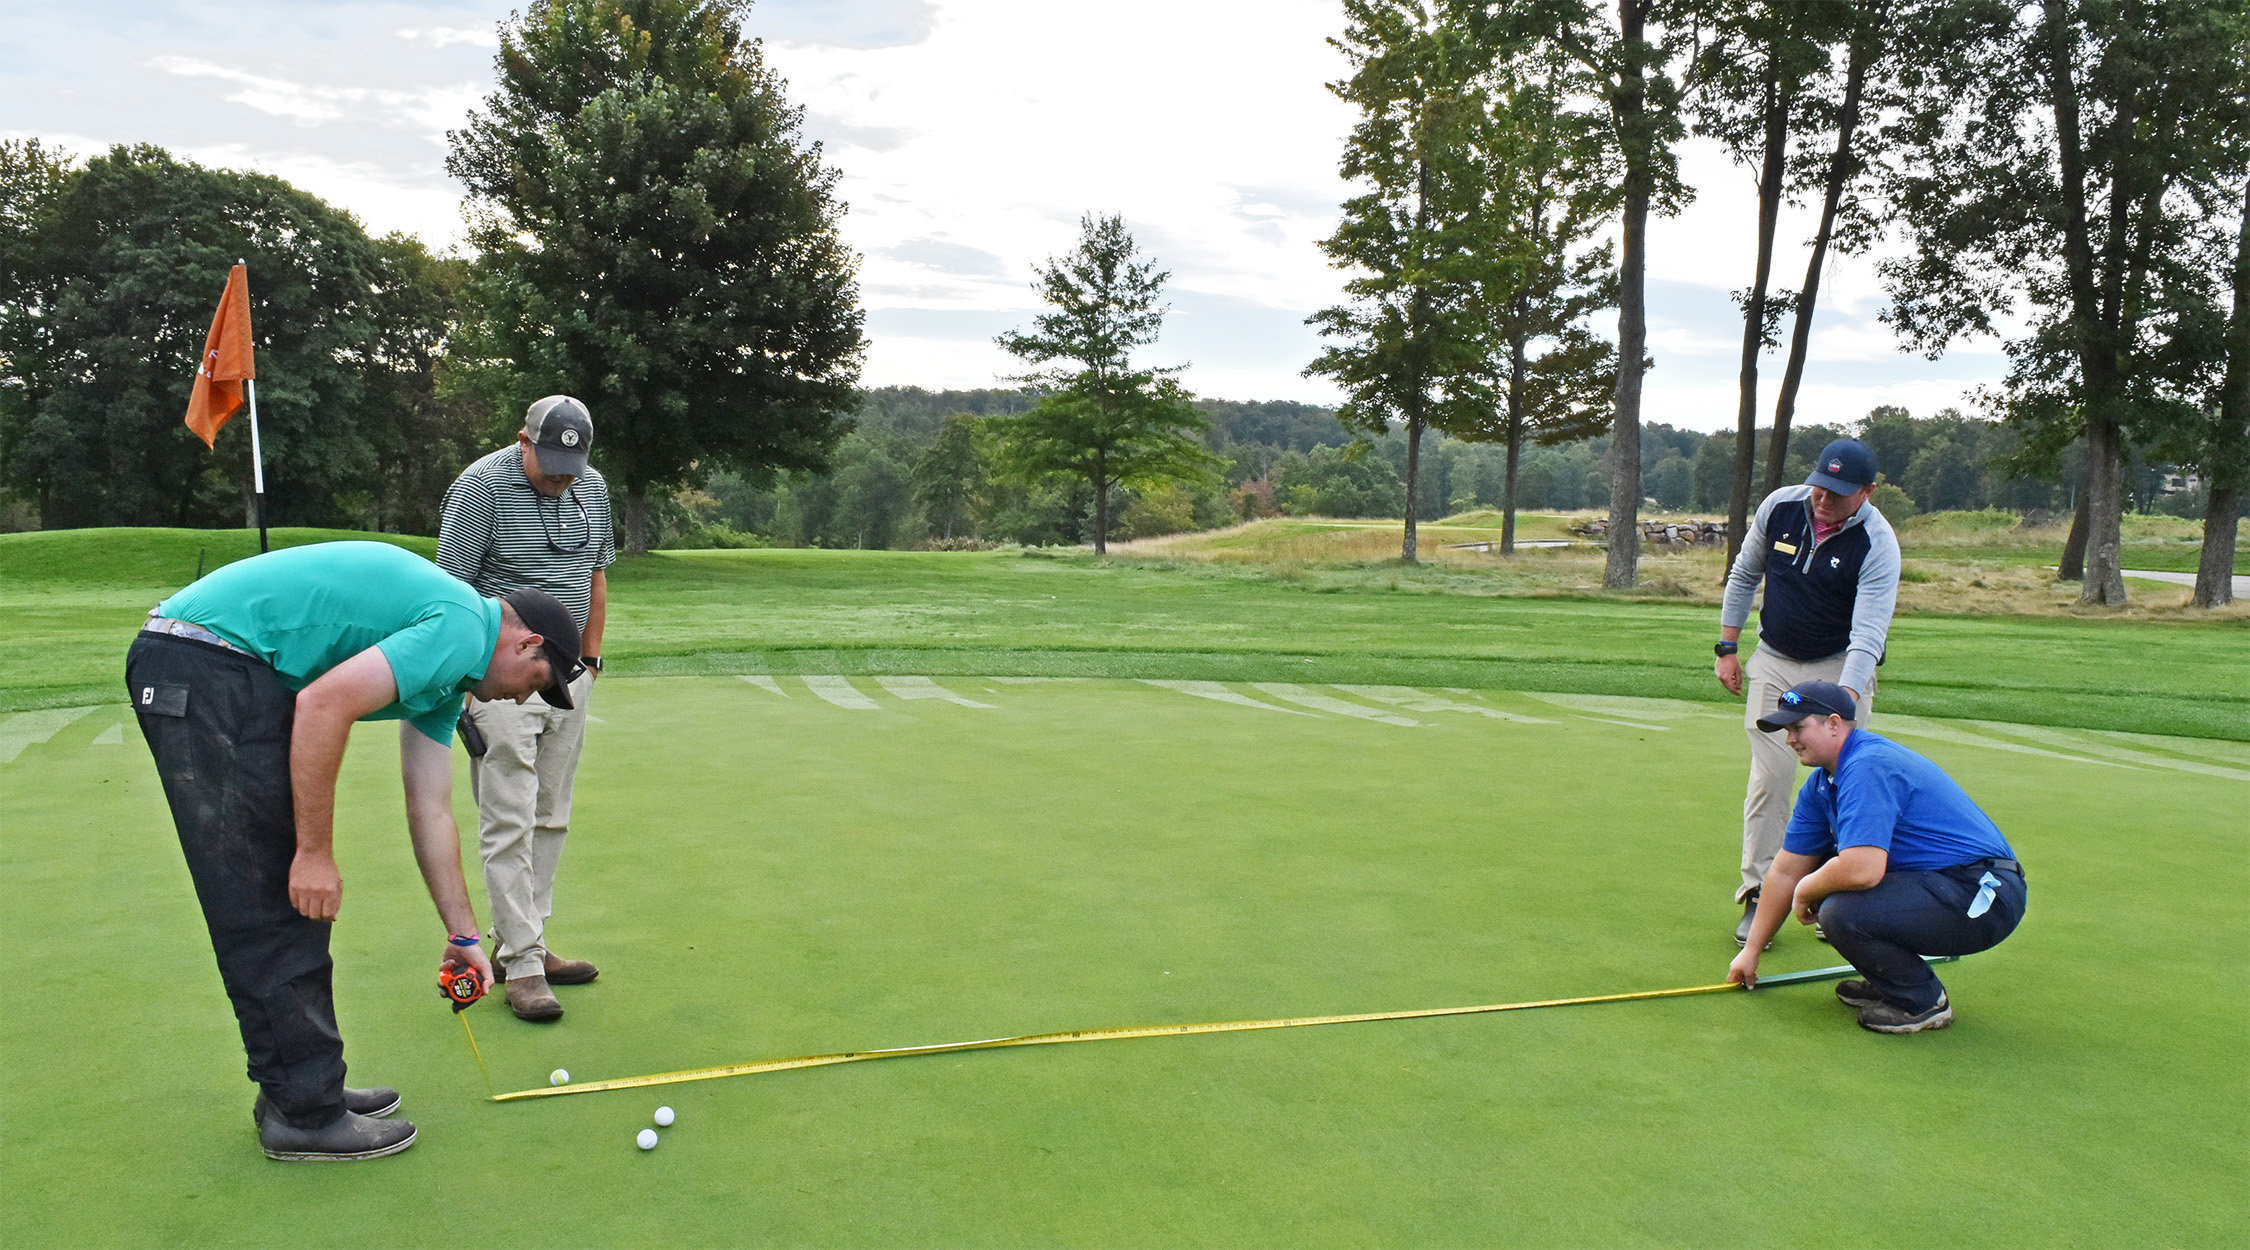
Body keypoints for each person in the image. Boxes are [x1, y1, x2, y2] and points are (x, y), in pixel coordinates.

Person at [127, 541, 583, 1160]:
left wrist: (465, 935)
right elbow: (323, 703)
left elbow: (431, 808)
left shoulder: (450, 676)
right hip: (207, 661)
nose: (530, 698)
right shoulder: (460, 627)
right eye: (540, 683)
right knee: (268, 899)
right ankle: (306, 1114)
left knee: (277, 903)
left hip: (220, 664)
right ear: (527, 645)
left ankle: (298, 1091)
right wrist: (314, 852)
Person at [436, 395, 615, 1022]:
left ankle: (527, 942)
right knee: (508, 815)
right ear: (523, 441)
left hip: (567, 677)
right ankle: (524, 961)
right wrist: (464, 680)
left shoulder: (591, 486)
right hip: (502, 675)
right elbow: (453, 593)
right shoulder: (478, 488)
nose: (562, 474)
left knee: (550, 815)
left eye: (573, 462)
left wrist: (589, 661)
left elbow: (594, 575)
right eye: (550, 461)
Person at [1726, 681, 2027, 1034]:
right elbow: (1785, 871)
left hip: (1984, 895)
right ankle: (1893, 982)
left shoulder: (1868, 766)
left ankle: (1922, 1002)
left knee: (1840, 908)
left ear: (1834, 724)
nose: (1790, 739)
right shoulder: (1821, 784)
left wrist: (1807, 890)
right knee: (1830, 882)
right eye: (1787, 730)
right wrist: (1752, 952)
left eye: (1798, 727)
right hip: (1943, 884)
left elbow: (1862, 870)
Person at [1713, 438, 1900, 946]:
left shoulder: (1878, 543)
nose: (1824, 499)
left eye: (1838, 493)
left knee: (1847, 786)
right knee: (1772, 778)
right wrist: (1727, 645)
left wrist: (1842, 700)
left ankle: (1833, 898)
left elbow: (1868, 636)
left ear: (1866, 492)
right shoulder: (1780, 506)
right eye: (1820, 486)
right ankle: (1759, 895)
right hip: (1774, 659)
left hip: (1841, 665)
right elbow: (1744, 574)